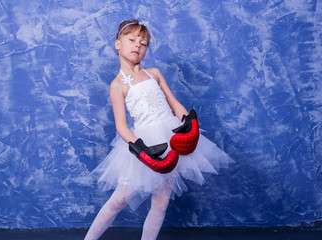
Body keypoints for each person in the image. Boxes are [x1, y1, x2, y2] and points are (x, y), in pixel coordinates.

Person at [84, 19, 233, 240]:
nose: (137, 46)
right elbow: (121, 126)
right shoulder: (118, 85)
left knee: (161, 201)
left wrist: (188, 121)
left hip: (170, 137)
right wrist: (141, 150)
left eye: (143, 43)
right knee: (119, 199)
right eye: (132, 40)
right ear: (118, 44)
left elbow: (174, 103)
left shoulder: (154, 73)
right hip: (145, 143)